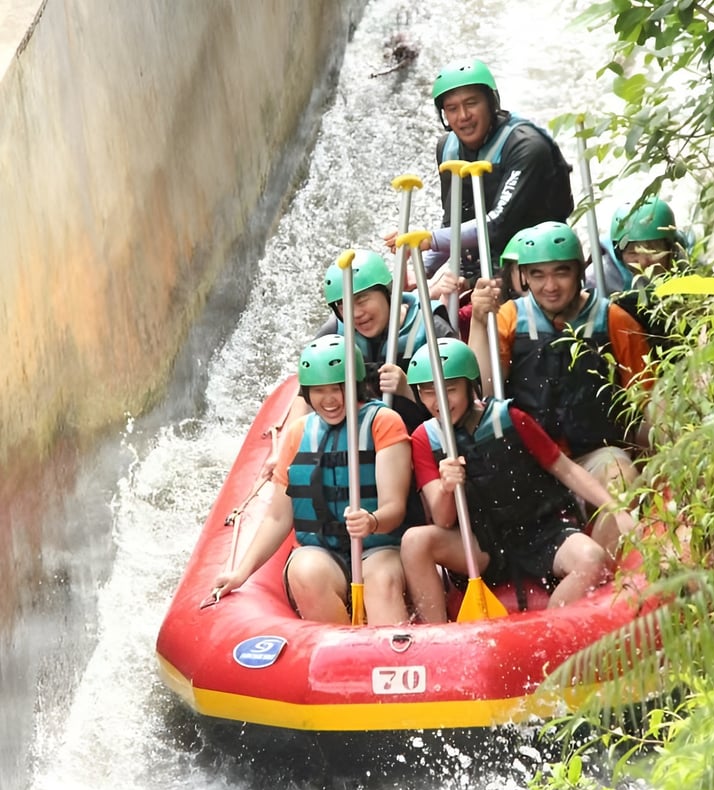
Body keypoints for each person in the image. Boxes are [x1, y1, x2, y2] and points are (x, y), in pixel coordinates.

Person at [401, 338, 637, 622]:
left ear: (470, 386)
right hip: (481, 543)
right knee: (414, 541)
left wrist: (616, 508)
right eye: (428, 393)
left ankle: (550, 634)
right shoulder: (425, 439)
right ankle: (437, 640)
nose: (438, 402)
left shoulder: (510, 418)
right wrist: (447, 487)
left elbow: (566, 470)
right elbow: (442, 519)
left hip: (542, 531)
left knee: (591, 559)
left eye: (449, 390)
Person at [212, 335, 412, 625]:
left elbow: (395, 507)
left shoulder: (384, 422)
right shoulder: (298, 433)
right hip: (323, 552)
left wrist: (372, 521)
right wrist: (241, 573)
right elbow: (278, 519)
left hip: (377, 548)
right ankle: (344, 652)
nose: (329, 399)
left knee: (382, 579)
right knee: (304, 571)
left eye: (337, 388)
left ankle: (390, 657)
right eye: (319, 390)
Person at [469, 221, 654, 494]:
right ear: (524, 278)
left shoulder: (613, 320)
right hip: (530, 456)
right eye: (538, 275)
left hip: (596, 454)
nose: (550, 286)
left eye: (561, 273)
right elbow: (481, 389)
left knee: (621, 478)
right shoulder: (509, 317)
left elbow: (646, 398)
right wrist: (477, 321)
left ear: (579, 271)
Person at [384, 57, 573, 289]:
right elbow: (454, 222)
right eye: (452, 109)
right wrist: (423, 270)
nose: (463, 116)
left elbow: (497, 224)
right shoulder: (448, 149)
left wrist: (429, 240)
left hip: (536, 268)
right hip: (478, 270)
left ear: (491, 102)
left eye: (471, 103)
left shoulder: (526, 146)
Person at [316, 248, 458, 432]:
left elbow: (459, 404)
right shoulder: (334, 333)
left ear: (387, 293)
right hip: (361, 437)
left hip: (420, 434)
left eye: (362, 300)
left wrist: (407, 389)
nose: (356, 314)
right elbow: (305, 392)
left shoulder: (432, 329)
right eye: (345, 306)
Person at [586, 196, 693, 354]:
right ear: (619, 253)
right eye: (633, 252)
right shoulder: (601, 277)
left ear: (670, 247)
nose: (644, 262)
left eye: (654, 250)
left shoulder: (688, 264)